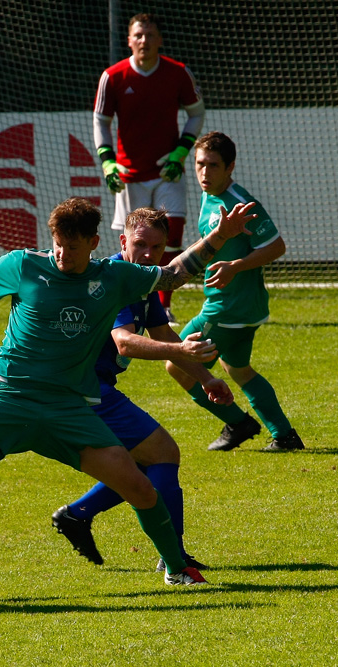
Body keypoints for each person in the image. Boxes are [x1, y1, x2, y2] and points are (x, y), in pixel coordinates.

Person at [0, 196, 256, 588]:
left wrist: (219, 236)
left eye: (72, 246)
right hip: (11, 397)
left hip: (71, 406)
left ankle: (175, 566)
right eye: (57, 243)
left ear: (93, 243)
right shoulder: (26, 264)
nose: (61, 253)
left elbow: (174, 275)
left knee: (141, 486)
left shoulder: (116, 279)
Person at [50, 207, 236, 572]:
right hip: (84, 390)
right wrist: (182, 351)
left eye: (157, 248)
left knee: (141, 460)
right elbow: (125, 342)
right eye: (140, 245)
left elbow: (162, 333)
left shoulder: (142, 281)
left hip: (88, 387)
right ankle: (175, 558)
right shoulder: (111, 281)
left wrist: (205, 377)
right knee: (163, 452)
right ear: (123, 242)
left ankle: (78, 514)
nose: (149, 255)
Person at [166, 131, 305, 453]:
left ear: (230, 167)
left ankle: (239, 423)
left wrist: (235, 267)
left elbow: (276, 247)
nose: (204, 172)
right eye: (200, 164)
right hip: (243, 308)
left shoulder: (241, 204)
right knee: (238, 369)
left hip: (228, 309)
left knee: (177, 363)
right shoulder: (207, 195)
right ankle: (284, 436)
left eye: (213, 166)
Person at [94, 12, 205, 325]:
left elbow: (197, 113)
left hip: (167, 171)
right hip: (129, 176)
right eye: (138, 35)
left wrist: (180, 152)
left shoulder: (178, 73)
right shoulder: (112, 77)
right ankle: (128, 300)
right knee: (135, 241)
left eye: (150, 35)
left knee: (173, 231)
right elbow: (101, 121)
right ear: (129, 40)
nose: (144, 41)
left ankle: (163, 304)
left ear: (160, 40)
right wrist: (107, 160)